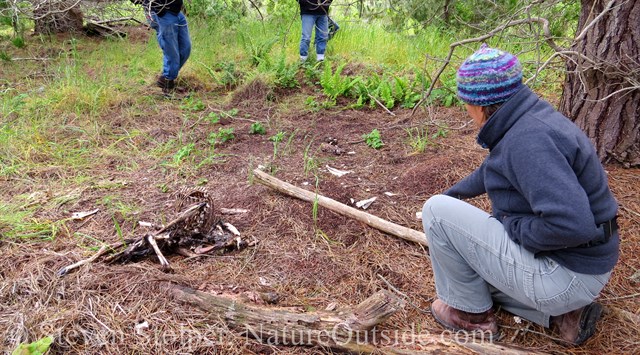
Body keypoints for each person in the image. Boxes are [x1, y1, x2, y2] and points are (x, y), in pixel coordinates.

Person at [421, 44, 619, 346]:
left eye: (465, 103)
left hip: (568, 275)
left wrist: (511, 227)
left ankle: (471, 317)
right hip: (584, 267)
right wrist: (454, 195)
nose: (466, 110)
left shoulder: (528, 143)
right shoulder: (528, 121)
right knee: (464, 250)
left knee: (436, 211)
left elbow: (573, 225)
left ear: (480, 104)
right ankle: (565, 316)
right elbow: (494, 169)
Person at [131, 0, 191, 93]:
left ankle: (165, 78)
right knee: (171, 51)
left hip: (176, 12)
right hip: (162, 13)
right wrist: (158, 9)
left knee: (185, 49)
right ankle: (168, 85)